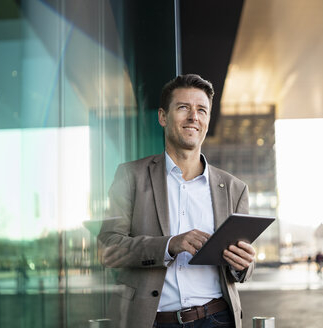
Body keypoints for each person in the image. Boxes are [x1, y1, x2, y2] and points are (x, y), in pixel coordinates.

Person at [98, 74, 255, 328]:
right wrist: (170, 245)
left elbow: (243, 269)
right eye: (183, 107)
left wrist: (243, 264)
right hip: (153, 321)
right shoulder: (130, 176)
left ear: (207, 120)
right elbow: (109, 247)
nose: (194, 116)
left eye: (201, 110)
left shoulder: (235, 189)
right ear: (163, 116)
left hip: (217, 318)